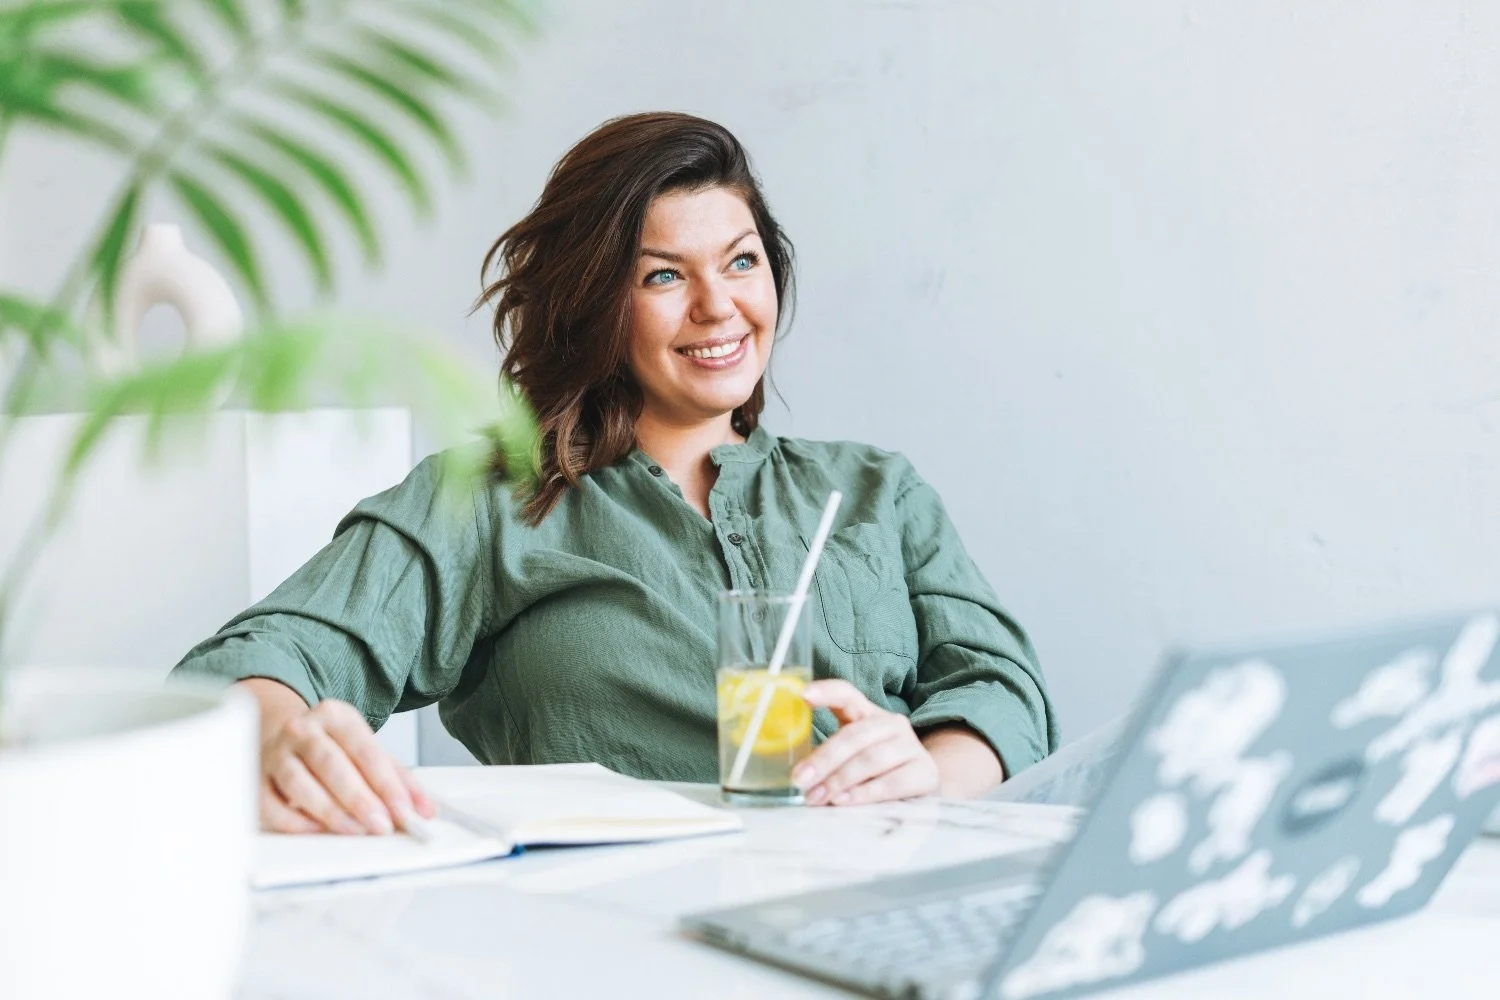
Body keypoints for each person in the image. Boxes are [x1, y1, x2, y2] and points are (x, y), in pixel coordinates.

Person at [171, 112, 1059, 836]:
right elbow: (253, 661)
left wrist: (930, 773)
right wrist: (282, 736)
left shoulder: (875, 492)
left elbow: (1003, 690)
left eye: (742, 261)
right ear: (594, 303)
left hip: (886, 907)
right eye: (665, 275)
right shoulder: (493, 499)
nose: (720, 306)